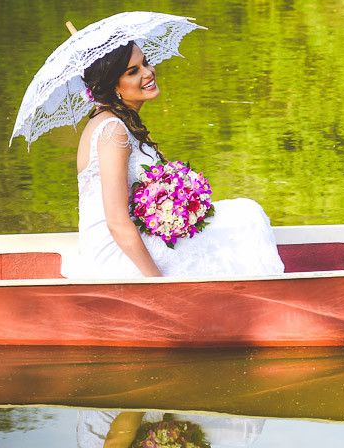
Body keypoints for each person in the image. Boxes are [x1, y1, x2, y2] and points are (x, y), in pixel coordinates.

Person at [60, 41, 285, 279]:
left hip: (134, 236)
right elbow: (116, 221)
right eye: (133, 71)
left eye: (145, 62)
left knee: (244, 213)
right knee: (247, 217)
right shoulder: (112, 129)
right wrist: (156, 282)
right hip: (116, 251)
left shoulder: (121, 122)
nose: (148, 72)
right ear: (113, 85)